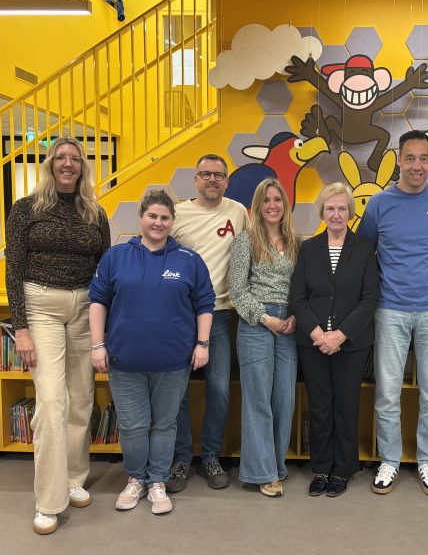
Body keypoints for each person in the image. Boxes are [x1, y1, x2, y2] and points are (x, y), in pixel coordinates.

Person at [5, 136, 111, 535]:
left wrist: (105, 325)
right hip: (41, 306)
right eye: (61, 158)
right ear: (50, 164)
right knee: (51, 401)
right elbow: (13, 271)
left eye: (75, 159)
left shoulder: (94, 212)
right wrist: (21, 330)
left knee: (82, 398)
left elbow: (105, 271)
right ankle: (49, 502)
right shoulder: (26, 210)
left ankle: (74, 478)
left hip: (84, 308)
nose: (68, 164)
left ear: (83, 167)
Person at [89, 189, 215, 515]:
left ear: (172, 221)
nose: (158, 223)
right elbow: (98, 302)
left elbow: (204, 305)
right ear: (141, 218)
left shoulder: (189, 260)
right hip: (124, 359)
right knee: (132, 426)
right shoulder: (116, 256)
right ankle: (135, 480)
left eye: (165, 217)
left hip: (173, 361)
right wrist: (97, 345)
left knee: (164, 424)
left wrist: (202, 344)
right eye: (152, 216)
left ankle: (157, 481)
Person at [357, 129, 428, 496]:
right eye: (410, 158)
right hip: (391, 310)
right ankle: (389, 459)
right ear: (399, 160)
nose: (417, 165)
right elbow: (363, 252)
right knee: (387, 392)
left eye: (423, 158)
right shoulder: (379, 204)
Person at [289, 183, 379, 497]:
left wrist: (339, 336)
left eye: (342, 208)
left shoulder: (365, 248)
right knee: (319, 406)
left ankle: (342, 469)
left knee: (346, 404)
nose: (336, 214)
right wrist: (318, 335)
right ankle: (321, 468)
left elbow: (369, 299)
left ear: (351, 213)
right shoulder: (308, 248)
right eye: (330, 208)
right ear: (322, 212)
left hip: (351, 343)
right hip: (312, 343)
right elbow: (298, 299)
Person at [167, 154, 248, 493]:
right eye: (205, 174)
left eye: (219, 175)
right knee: (178, 392)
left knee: (219, 389)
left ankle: (211, 455)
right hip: (179, 316)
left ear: (227, 181)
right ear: (195, 180)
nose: (212, 179)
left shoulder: (238, 212)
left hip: (219, 314)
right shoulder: (178, 215)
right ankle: (182, 458)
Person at [230, 178, 301, 497]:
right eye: (266, 200)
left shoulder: (296, 241)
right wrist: (265, 318)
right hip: (256, 321)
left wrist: (294, 315)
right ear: (257, 207)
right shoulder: (245, 240)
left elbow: (303, 285)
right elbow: (237, 290)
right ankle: (261, 473)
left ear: (285, 205)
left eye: (278, 200)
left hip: (289, 324)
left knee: (284, 399)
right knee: (258, 399)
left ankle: (276, 465)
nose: (273, 205)